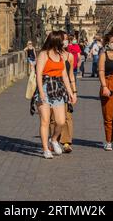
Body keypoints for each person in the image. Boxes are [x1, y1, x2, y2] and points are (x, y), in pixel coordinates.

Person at [32, 31, 76, 159]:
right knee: (45, 121)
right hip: (45, 87)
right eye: (64, 40)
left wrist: (71, 92)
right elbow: (38, 75)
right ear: (57, 40)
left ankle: (54, 139)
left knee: (61, 121)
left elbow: (65, 76)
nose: (66, 42)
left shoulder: (61, 56)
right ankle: (46, 149)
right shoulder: (43, 55)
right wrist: (41, 93)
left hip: (57, 89)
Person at [50, 32, 77, 153]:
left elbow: (71, 75)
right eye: (64, 39)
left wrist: (74, 91)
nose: (66, 42)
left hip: (66, 89)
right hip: (52, 88)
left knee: (67, 116)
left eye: (67, 39)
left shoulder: (69, 56)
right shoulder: (50, 55)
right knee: (53, 118)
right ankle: (54, 140)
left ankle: (66, 142)